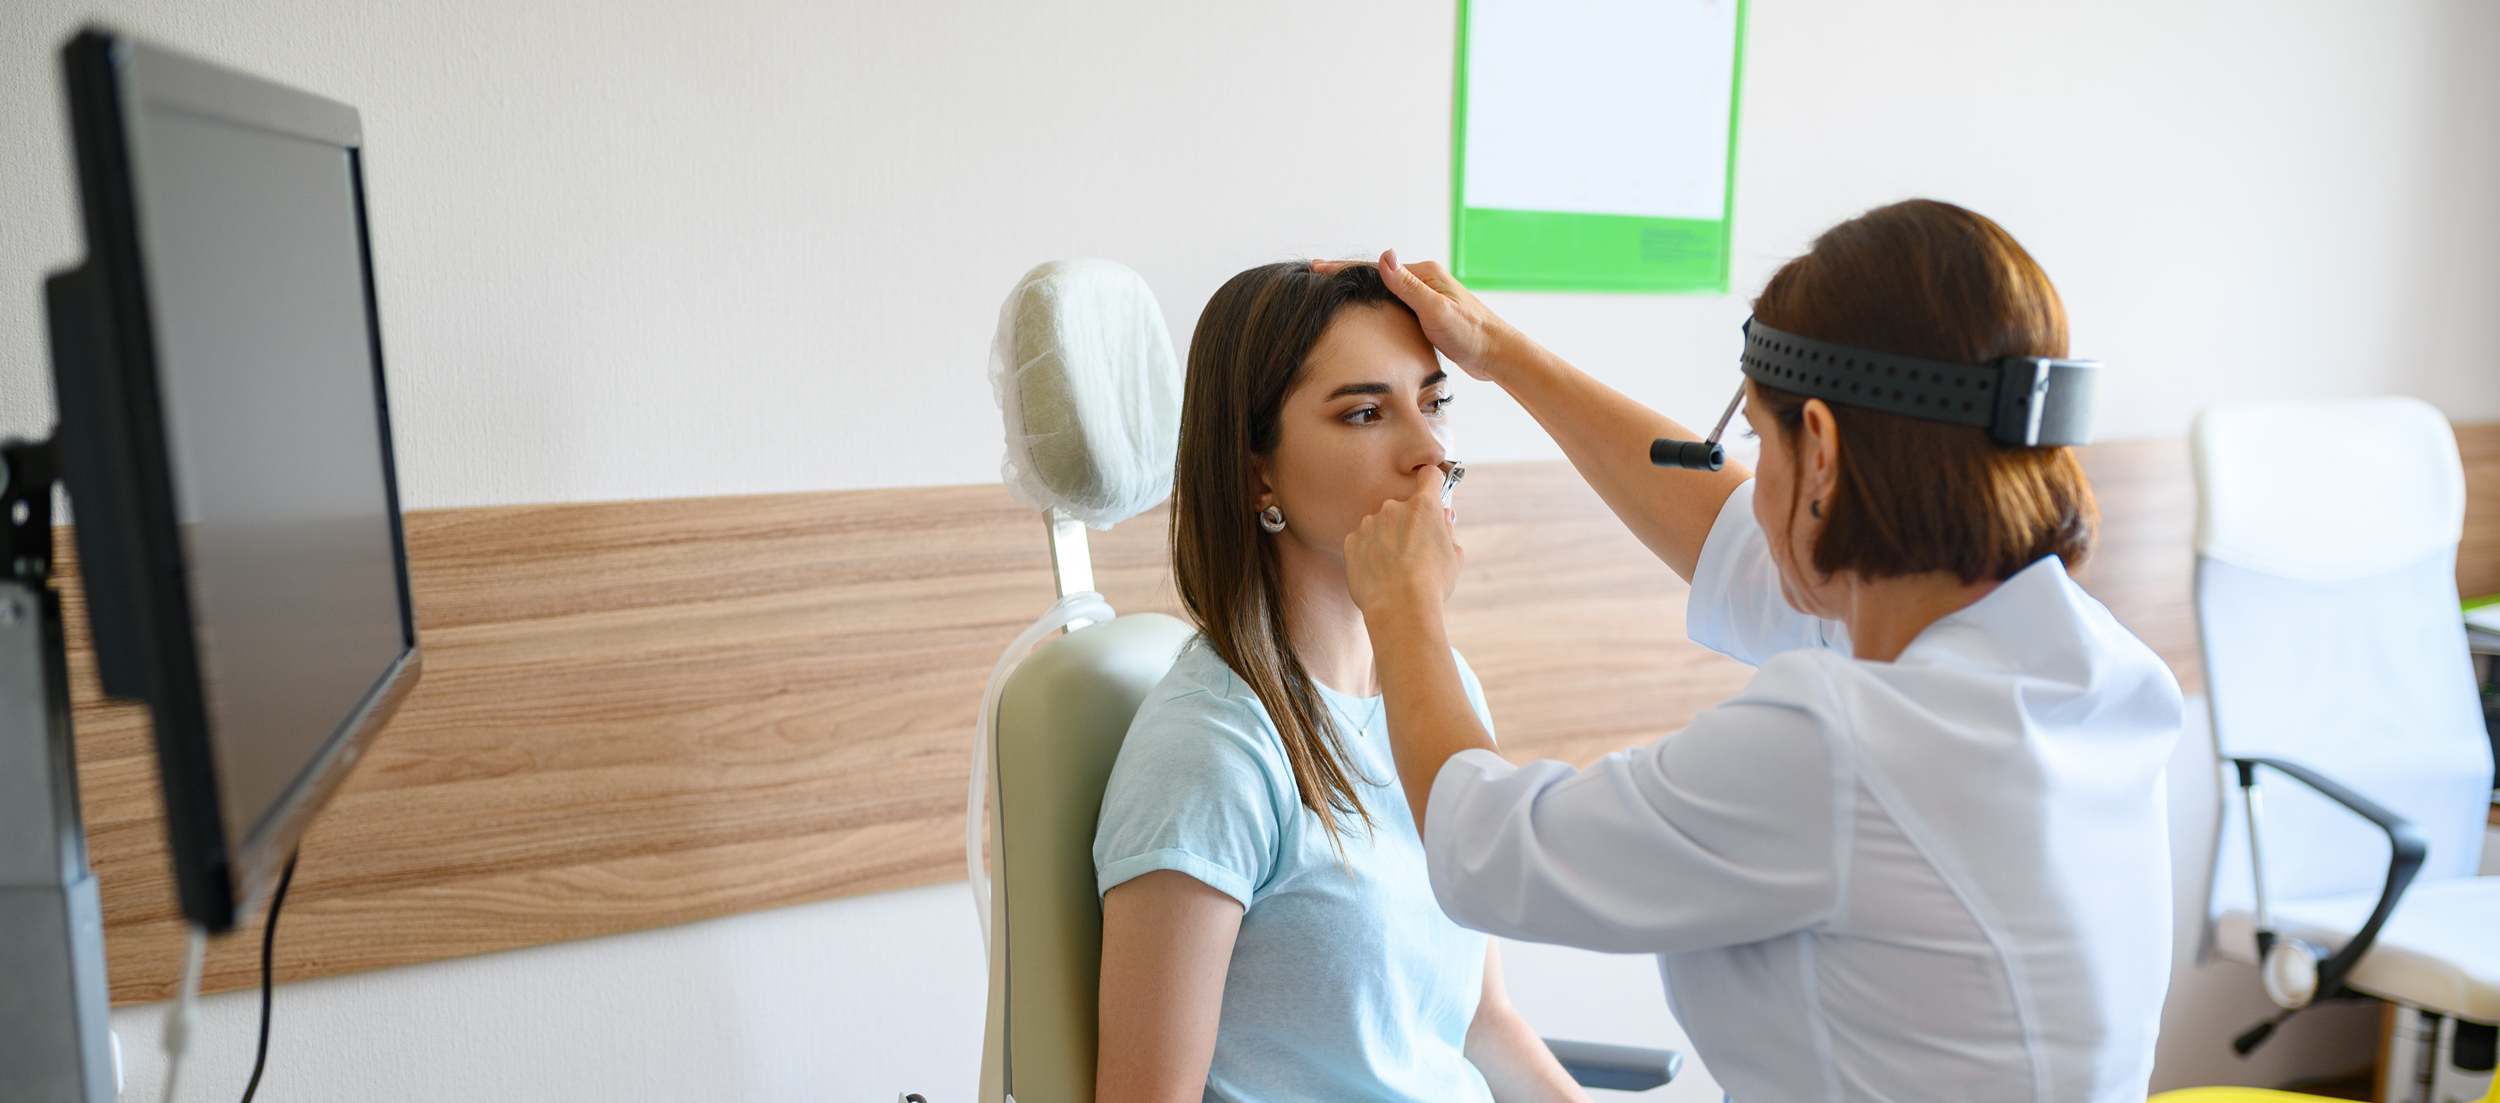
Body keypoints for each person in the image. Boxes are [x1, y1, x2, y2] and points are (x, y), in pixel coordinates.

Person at [1338, 200, 2185, 1102]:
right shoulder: (2089, 669)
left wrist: (1404, 609)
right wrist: (1502, 355)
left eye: (1755, 437)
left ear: (1818, 448)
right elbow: (1733, 538)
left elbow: (1486, 849)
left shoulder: (1850, 742)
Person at [1091, 262, 1589, 1103]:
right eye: (1365, 412)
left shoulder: (1437, 682)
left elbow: (1479, 1019)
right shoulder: (1211, 751)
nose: (1432, 453)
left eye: (1434, 402)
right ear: (1259, 474)